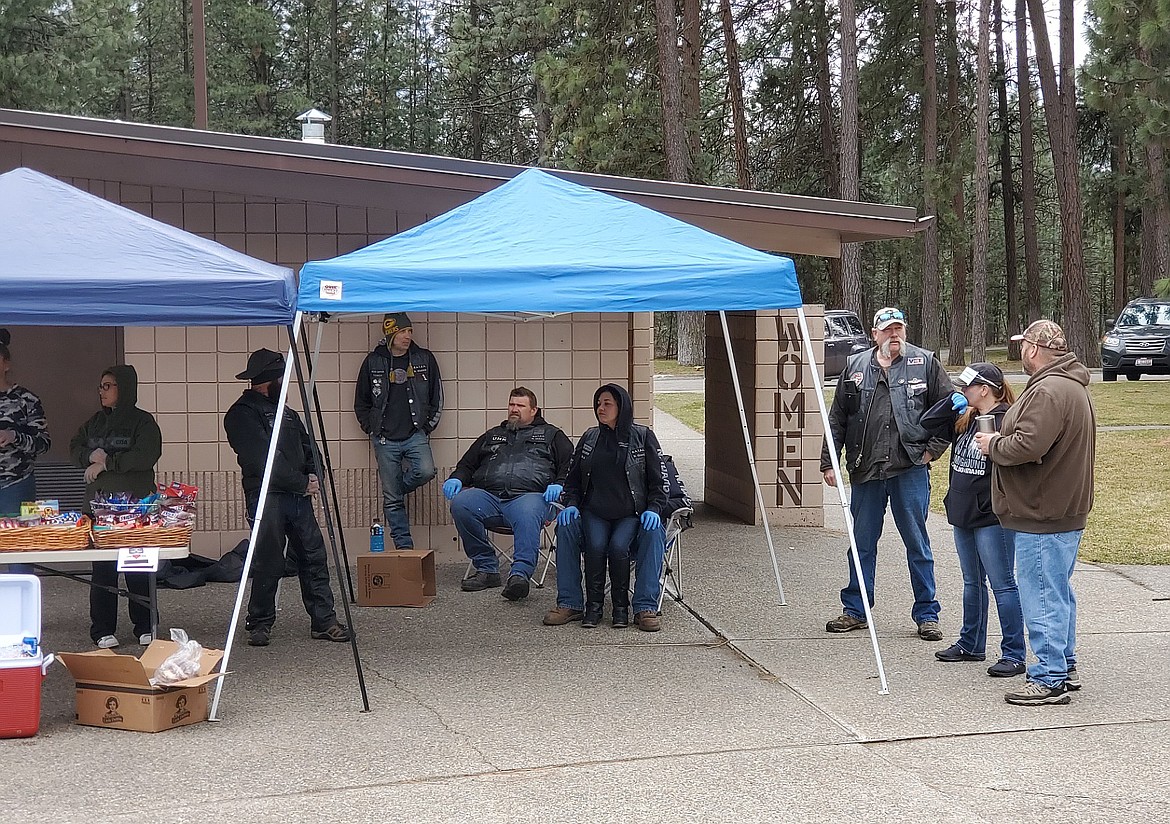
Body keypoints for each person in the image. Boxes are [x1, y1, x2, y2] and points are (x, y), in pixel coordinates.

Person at [974, 320, 1096, 706]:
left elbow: (1029, 445)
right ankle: (1065, 665)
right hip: (1060, 510)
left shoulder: (1049, 390)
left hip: (1043, 513)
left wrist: (994, 444)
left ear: (1032, 349)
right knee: (1057, 592)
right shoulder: (1070, 386)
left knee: (1042, 595)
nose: (1021, 353)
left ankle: (1048, 677)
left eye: (1023, 346)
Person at [820, 306, 953, 641]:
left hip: (909, 467)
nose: (894, 335)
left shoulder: (925, 362)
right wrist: (829, 460)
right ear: (875, 333)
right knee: (861, 543)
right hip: (867, 468)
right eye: (888, 330)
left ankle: (927, 613)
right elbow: (838, 418)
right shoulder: (855, 366)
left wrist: (932, 449)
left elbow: (950, 410)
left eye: (899, 329)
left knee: (917, 543)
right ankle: (855, 610)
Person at [225, 348, 350, 648]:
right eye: (282, 376)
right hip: (266, 496)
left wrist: (315, 473)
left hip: (297, 496)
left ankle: (324, 620)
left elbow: (309, 448)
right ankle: (260, 622)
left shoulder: (289, 414)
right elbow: (262, 460)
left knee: (314, 555)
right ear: (271, 380)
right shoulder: (241, 414)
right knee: (269, 559)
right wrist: (301, 483)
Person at [921, 362, 1026, 677]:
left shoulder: (1006, 418)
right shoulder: (966, 417)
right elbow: (926, 423)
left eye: (967, 387)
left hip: (992, 515)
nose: (962, 391)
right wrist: (948, 403)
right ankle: (971, 643)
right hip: (963, 510)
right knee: (971, 582)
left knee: (1003, 584)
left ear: (985, 389)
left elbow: (1014, 459)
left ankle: (1014, 653)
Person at [550, 384, 670, 630]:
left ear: (621, 407)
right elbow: (572, 481)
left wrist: (655, 509)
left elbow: (660, 483)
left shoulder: (642, 436)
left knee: (648, 533)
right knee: (566, 527)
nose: (600, 408)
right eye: (598, 403)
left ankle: (644, 607)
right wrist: (571, 504)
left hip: (632, 514)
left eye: (607, 404)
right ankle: (571, 603)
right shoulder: (590, 437)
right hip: (594, 512)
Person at [442, 387, 573, 601]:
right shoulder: (493, 434)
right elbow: (467, 464)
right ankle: (487, 569)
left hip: (532, 497)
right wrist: (457, 477)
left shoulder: (552, 435)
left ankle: (520, 576)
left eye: (520, 405)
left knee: (528, 511)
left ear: (534, 410)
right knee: (461, 503)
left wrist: (559, 484)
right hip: (490, 498)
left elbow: (571, 465)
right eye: (512, 404)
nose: (514, 409)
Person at [69, 365, 162, 648]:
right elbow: (75, 446)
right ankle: (102, 629)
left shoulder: (143, 422)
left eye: (108, 386)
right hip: (100, 508)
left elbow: (145, 455)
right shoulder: (94, 423)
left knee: (138, 565)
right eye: (100, 386)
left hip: (135, 507)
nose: (102, 391)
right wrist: (88, 455)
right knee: (103, 569)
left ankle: (145, 625)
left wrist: (107, 463)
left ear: (124, 388)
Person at [354, 313, 442, 550]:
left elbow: (437, 397)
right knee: (392, 500)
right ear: (390, 333)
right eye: (403, 331)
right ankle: (404, 547)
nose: (407, 336)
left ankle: (395, 489)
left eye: (410, 331)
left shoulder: (424, 358)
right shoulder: (373, 362)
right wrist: (370, 428)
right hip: (384, 438)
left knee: (426, 471)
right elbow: (361, 402)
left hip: (415, 434)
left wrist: (426, 427)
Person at [0, 329, 51, 574]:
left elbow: (43, 442)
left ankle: (19, 609)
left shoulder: (26, 399)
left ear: (6, 363)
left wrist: (14, 437)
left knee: (20, 553)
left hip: (16, 484)